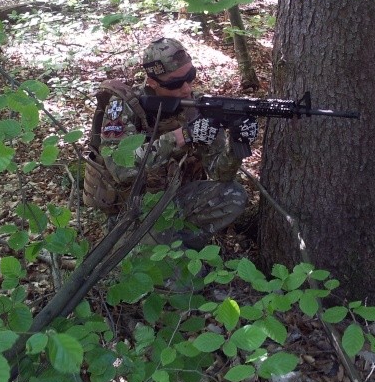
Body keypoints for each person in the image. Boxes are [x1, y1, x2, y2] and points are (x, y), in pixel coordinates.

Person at [83, 37, 256, 248]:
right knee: (175, 279)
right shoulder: (124, 106)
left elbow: (220, 174)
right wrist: (181, 136)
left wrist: (236, 145)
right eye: (175, 83)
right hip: (134, 210)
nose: (186, 89)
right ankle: (153, 250)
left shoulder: (196, 105)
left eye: (190, 77)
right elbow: (121, 168)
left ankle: (181, 248)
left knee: (233, 195)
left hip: (176, 200)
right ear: (153, 82)